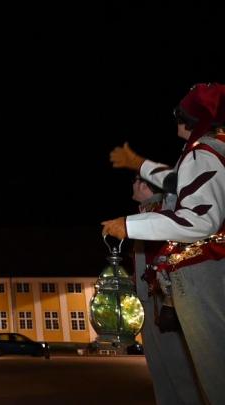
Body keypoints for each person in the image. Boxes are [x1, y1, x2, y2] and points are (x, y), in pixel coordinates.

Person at [103, 83, 225, 404]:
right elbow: (177, 181)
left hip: (204, 273)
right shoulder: (207, 152)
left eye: (179, 114)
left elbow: (199, 218)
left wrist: (127, 225)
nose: (176, 121)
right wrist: (138, 162)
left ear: (193, 118)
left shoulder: (204, 151)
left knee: (214, 374)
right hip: (202, 275)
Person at [126, 174, 203, 405]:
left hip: (166, 303)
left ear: (144, 185)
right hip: (150, 303)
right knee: (161, 370)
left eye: (135, 180)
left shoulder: (162, 211)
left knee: (179, 370)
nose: (132, 185)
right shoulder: (147, 211)